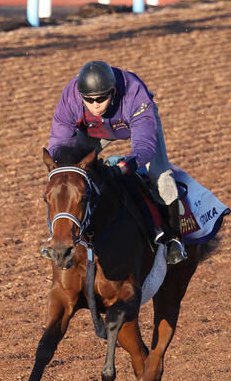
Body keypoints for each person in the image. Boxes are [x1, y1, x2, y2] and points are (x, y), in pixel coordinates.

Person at [46, 61, 187, 264]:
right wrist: (59, 166)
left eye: (101, 98)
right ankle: (57, 237)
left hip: (133, 125)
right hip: (95, 129)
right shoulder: (71, 95)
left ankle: (175, 238)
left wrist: (123, 168)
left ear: (113, 91)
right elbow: (60, 139)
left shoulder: (134, 94)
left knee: (160, 175)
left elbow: (143, 148)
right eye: (89, 99)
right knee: (66, 179)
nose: (95, 105)